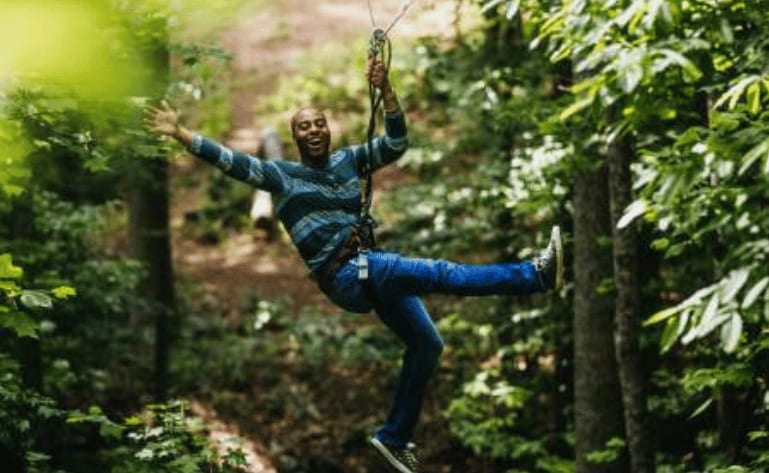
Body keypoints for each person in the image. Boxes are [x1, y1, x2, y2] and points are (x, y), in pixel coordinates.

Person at [144, 57, 564, 473]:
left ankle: (393, 437)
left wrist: (387, 91)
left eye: (318, 123)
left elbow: (396, 144)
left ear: (328, 128)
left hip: (367, 270)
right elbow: (234, 162)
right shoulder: (283, 176)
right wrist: (183, 135)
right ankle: (535, 275)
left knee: (427, 344)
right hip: (348, 274)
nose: (313, 130)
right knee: (440, 272)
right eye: (303, 127)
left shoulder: (349, 161)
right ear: (295, 137)